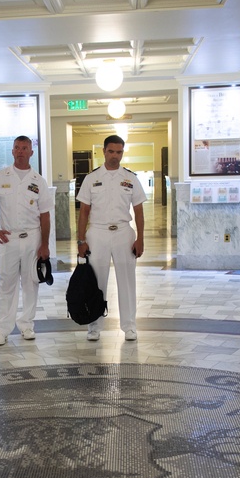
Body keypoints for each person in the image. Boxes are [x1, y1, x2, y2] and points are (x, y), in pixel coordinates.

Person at [0, 136, 52, 345]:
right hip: (8, 238)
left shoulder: (38, 181)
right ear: (12, 151)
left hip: (32, 237)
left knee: (31, 283)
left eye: (25, 148)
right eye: (17, 148)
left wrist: (44, 244)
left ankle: (27, 325)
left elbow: (45, 215)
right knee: (7, 283)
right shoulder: (1, 176)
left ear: (31, 152)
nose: (20, 151)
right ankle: (2, 330)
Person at [75, 135, 146, 341]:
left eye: (119, 152)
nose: (115, 156)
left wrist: (140, 238)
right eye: (111, 151)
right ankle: (94, 327)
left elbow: (139, 211)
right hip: (97, 233)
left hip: (124, 232)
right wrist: (81, 240)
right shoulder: (92, 178)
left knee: (127, 280)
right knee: (96, 281)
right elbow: (84, 212)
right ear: (103, 151)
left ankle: (129, 326)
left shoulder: (130, 178)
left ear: (123, 152)